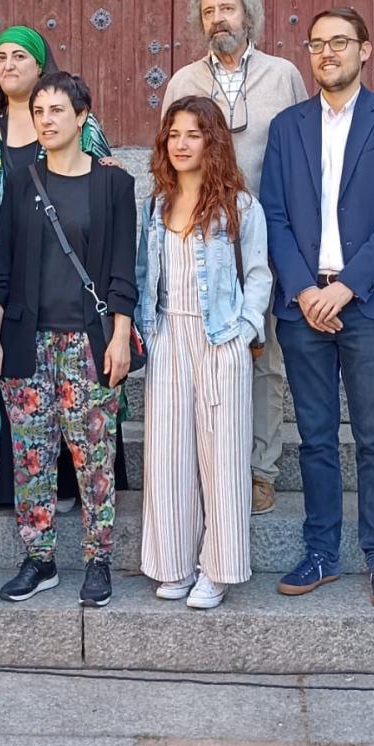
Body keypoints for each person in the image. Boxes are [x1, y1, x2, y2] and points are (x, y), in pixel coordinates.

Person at [259, 7, 374, 609]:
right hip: (304, 305)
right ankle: (322, 550)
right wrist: (303, 289)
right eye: (318, 43)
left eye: (340, 43)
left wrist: (346, 287)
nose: (328, 53)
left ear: (365, 50)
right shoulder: (288, 127)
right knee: (316, 436)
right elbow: (272, 213)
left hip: (369, 304)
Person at [0, 72, 137, 609]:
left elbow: (123, 272)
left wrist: (120, 337)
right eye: (39, 112)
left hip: (88, 345)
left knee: (93, 458)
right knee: (31, 457)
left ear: (82, 118)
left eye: (56, 111)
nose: (46, 120)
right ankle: (40, 558)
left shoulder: (113, 184)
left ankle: (98, 559)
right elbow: (0, 268)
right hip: (28, 342)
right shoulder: (21, 181)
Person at [161, 0, 308, 515]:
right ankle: (206, 462)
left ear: (248, 14)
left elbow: (300, 155)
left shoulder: (284, 75)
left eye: (228, 9)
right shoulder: (183, 81)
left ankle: (259, 467)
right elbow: (169, 159)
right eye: (208, 12)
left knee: (262, 356)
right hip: (201, 239)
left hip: (265, 236)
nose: (218, 19)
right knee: (202, 352)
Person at [0, 26, 108, 516]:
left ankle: (62, 484)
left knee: (57, 377)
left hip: (57, 278)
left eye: (20, 55)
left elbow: (102, 192)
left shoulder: (77, 122)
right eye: (1, 57)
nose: (9, 65)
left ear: (42, 66)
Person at [135, 96, 271, 609]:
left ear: (212, 142)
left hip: (220, 339)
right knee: (169, 454)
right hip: (169, 335)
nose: (181, 144)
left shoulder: (239, 207)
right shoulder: (155, 205)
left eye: (193, 134)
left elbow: (258, 276)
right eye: (173, 134)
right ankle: (171, 562)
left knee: (224, 457)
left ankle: (217, 569)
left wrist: (244, 330)